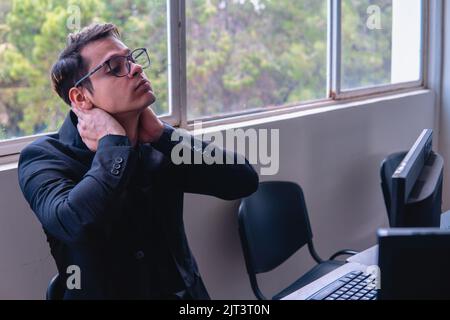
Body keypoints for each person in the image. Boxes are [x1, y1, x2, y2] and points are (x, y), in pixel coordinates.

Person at [17, 23, 259, 299]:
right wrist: (114, 145)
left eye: (131, 59)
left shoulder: (158, 144)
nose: (135, 68)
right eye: (115, 66)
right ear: (80, 97)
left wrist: (164, 136)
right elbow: (74, 225)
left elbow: (242, 181)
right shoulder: (44, 157)